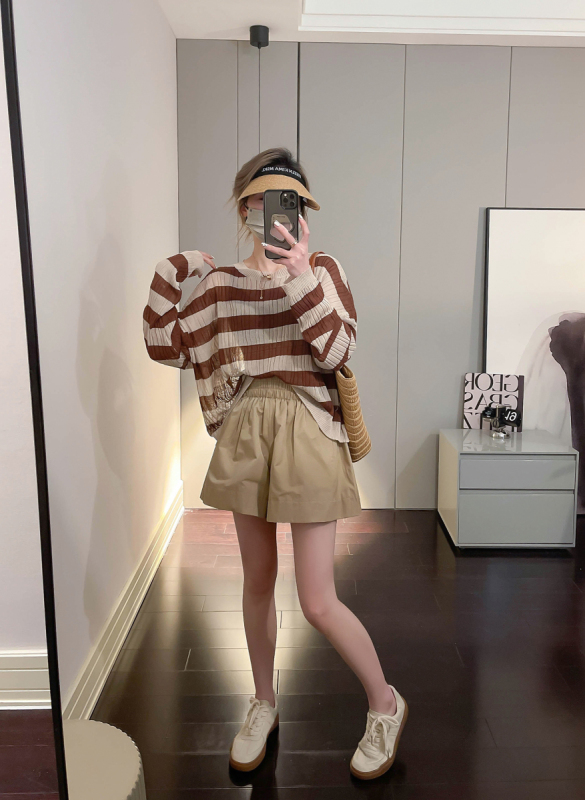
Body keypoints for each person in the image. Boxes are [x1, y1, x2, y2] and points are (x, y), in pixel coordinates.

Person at [142, 147, 408, 780]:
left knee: (317, 599)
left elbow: (337, 349)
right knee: (257, 581)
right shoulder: (222, 285)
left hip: (310, 430)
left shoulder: (323, 270)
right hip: (247, 431)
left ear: (302, 210)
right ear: (245, 210)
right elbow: (163, 345)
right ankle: (263, 701)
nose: (276, 215)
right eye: (262, 202)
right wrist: (175, 268)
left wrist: (299, 275)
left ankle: (386, 703)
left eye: (289, 203)